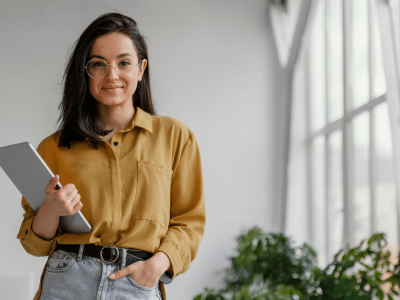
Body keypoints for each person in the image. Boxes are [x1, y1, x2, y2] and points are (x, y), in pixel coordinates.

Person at [16, 12, 206, 300]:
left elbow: (189, 221)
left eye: (124, 63)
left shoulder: (175, 137)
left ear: (141, 69)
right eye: (98, 65)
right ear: (85, 71)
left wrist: (157, 265)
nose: (112, 75)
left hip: (137, 282)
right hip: (67, 280)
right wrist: (50, 211)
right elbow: (35, 246)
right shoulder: (53, 148)